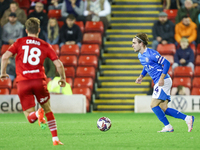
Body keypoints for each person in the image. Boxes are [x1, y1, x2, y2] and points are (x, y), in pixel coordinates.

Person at [0, 17, 66, 145]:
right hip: (39, 81)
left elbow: (5, 57)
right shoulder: (45, 45)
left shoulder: (19, 42)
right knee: (48, 109)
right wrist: (62, 78)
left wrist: (2, 73)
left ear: (26, 30)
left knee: (30, 118)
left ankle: (36, 113)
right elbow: (59, 64)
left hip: (23, 82)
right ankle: (55, 139)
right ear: (39, 30)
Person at [133, 32, 194, 132]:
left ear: (141, 43)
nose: (132, 45)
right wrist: (141, 76)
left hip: (163, 80)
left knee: (153, 105)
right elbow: (146, 66)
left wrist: (161, 78)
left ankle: (168, 126)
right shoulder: (140, 55)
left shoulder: (152, 54)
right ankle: (187, 118)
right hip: (161, 81)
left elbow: (166, 63)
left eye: (134, 43)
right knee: (163, 108)